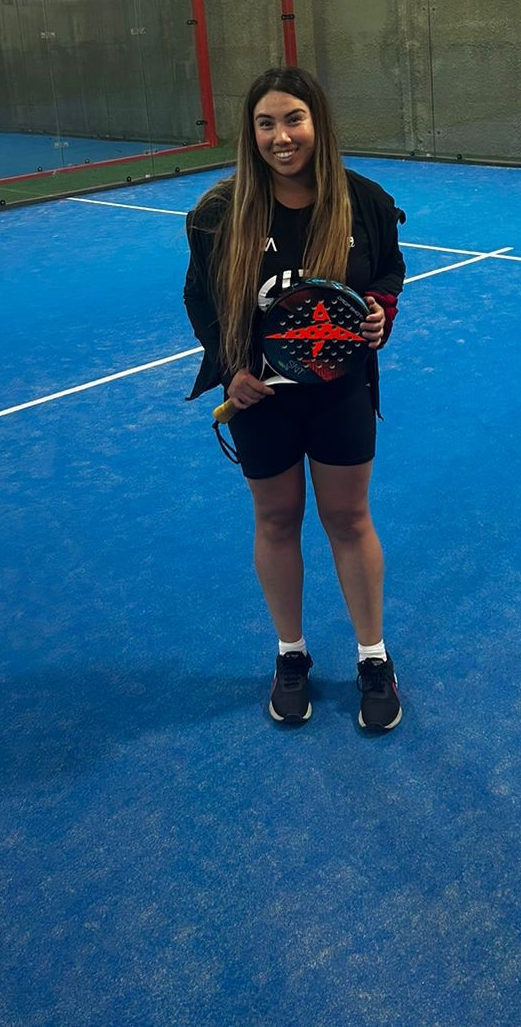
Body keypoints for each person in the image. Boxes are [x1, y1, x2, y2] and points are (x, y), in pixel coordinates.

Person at [183, 66, 406, 732]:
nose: (281, 136)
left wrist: (380, 310)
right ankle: (291, 654)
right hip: (261, 401)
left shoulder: (363, 201)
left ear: (317, 124)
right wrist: (231, 370)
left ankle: (373, 657)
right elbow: (200, 298)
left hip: (340, 394)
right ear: (251, 134)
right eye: (266, 124)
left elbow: (388, 270)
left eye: (293, 119)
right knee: (277, 520)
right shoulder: (220, 214)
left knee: (349, 518)